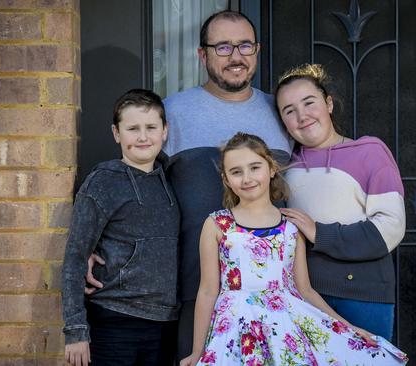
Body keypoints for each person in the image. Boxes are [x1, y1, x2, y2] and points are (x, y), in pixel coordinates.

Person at [84, 10, 292, 360]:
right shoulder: (171, 113)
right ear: (202, 54)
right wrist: (94, 240)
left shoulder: (282, 112)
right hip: (196, 287)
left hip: (274, 289)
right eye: (223, 47)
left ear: (257, 50)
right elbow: (131, 182)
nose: (236, 56)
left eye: (245, 45)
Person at [179, 132, 408, 365]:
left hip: (285, 325)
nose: (247, 178)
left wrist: (348, 327)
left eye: (255, 167)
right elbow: (207, 291)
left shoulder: (290, 226)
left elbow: (305, 290)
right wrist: (198, 350)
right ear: (226, 179)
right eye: (236, 172)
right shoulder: (217, 224)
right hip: (234, 329)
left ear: (271, 169)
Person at [275, 64, 406, 341]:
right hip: (305, 295)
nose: (302, 116)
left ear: (329, 104)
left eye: (309, 103)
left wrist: (320, 233)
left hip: (364, 295)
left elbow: (390, 228)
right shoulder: (284, 166)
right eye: (289, 110)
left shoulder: (370, 152)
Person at [62, 89, 179, 366]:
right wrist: (75, 330)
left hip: (164, 324)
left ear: (165, 131)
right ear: (117, 133)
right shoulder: (103, 181)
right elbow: (76, 256)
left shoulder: (171, 179)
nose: (142, 136)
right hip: (115, 320)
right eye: (132, 128)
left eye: (151, 127)